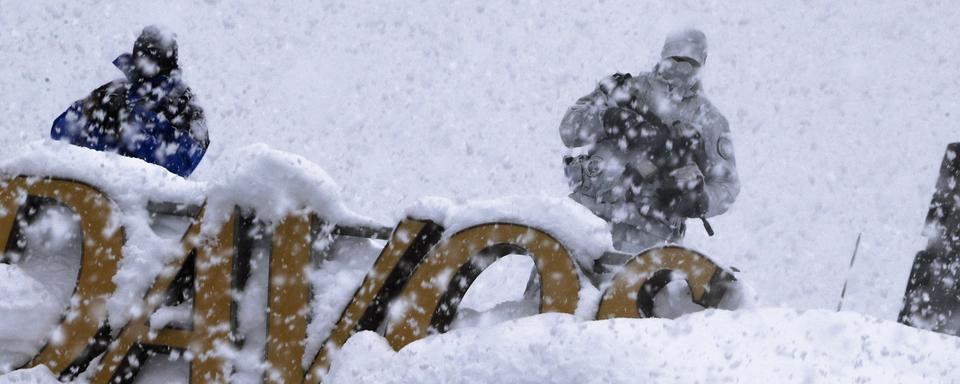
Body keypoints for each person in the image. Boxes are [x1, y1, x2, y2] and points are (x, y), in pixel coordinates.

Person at [559, 28, 739, 254]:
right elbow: (568, 129)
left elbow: (727, 187)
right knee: (550, 286)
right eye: (676, 57)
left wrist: (700, 200)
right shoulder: (624, 89)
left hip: (648, 241)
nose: (681, 67)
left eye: (689, 61)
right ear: (664, 53)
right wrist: (610, 119)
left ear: (703, 62)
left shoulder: (710, 121)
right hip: (583, 218)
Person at [51, 25, 209, 177]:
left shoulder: (185, 105)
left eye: (150, 54)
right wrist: (97, 117)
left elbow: (181, 167)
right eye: (141, 53)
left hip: (139, 200)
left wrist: (129, 132)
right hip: (92, 190)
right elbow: (59, 131)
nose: (142, 62)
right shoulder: (114, 90)